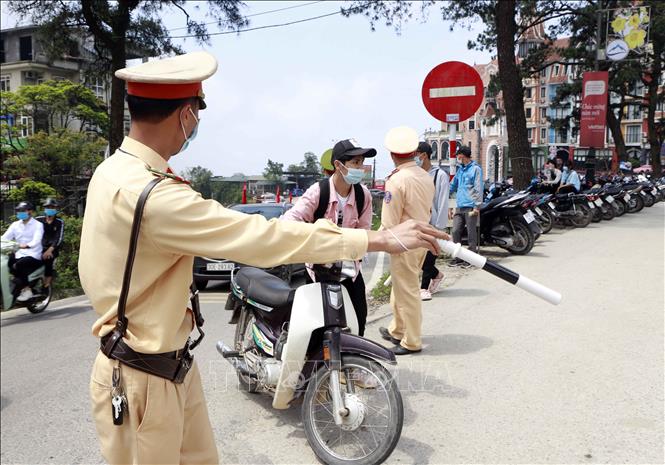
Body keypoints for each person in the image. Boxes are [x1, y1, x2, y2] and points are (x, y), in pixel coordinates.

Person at [78, 51, 448, 465]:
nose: (197, 122)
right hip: (142, 376)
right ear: (185, 113)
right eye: (198, 109)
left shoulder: (114, 171)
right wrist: (378, 240)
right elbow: (263, 234)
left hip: (169, 364)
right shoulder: (153, 195)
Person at [282, 139, 374, 335]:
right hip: (318, 271)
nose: (360, 168)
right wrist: (314, 239)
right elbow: (290, 219)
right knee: (316, 327)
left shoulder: (363, 195)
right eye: (355, 163)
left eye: (361, 162)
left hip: (350, 271)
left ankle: (351, 363)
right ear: (338, 165)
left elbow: (365, 230)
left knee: (358, 323)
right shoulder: (318, 191)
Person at [378, 127, 436, 355]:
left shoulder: (397, 180)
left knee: (408, 290)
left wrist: (377, 241)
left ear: (392, 155)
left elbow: (389, 220)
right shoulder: (425, 176)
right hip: (421, 238)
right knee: (401, 287)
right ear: (414, 152)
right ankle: (398, 329)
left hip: (402, 241)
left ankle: (411, 340)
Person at [414, 141, 449, 301]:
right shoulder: (415, 174)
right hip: (418, 223)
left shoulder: (439, 175)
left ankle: (423, 288)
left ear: (424, 155)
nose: (413, 157)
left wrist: (439, 228)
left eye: (416, 154)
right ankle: (437, 275)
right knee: (418, 258)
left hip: (433, 224)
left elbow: (442, 202)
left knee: (428, 257)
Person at [1, 201, 44, 302]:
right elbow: (5, 238)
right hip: (19, 253)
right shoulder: (15, 225)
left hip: (33, 254)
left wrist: (27, 245)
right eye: (18, 211)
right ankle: (14, 287)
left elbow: (36, 240)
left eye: (22, 211)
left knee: (19, 265)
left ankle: (27, 289)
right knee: (6, 261)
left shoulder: (38, 225)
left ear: (30, 212)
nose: (20, 213)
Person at [449, 145, 483, 265]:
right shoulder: (460, 170)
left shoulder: (476, 169)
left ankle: (471, 259)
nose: (457, 157)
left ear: (463, 155)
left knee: (471, 233)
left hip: (471, 206)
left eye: (458, 155)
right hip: (460, 205)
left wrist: (476, 206)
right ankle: (458, 257)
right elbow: (452, 185)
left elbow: (478, 188)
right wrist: (442, 193)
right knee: (455, 231)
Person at [36, 198, 65, 288]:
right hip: (38, 247)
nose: (50, 209)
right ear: (44, 209)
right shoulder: (38, 220)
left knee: (48, 259)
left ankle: (46, 285)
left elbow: (58, 238)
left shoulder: (59, 222)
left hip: (52, 249)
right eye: (47, 207)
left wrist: (50, 250)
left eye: (52, 207)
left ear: (56, 209)